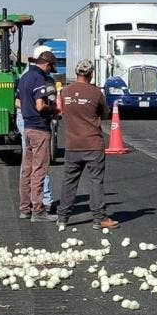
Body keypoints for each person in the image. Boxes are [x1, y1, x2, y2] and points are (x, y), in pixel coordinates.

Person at [57, 59, 119, 230]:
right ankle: (99, 218)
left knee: (69, 181)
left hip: (72, 144)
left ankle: (62, 217)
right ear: (91, 74)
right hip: (93, 143)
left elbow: (63, 111)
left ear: (76, 73)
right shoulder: (96, 93)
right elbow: (104, 113)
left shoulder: (65, 92)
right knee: (96, 181)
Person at [17, 46, 58, 222]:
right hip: (40, 129)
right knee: (39, 170)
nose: (51, 71)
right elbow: (41, 105)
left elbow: (17, 102)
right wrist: (53, 110)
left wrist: (28, 109)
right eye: (51, 68)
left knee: (26, 170)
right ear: (47, 64)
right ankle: (38, 211)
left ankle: (25, 209)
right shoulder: (39, 78)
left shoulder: (24, 77)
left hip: (26, 128)